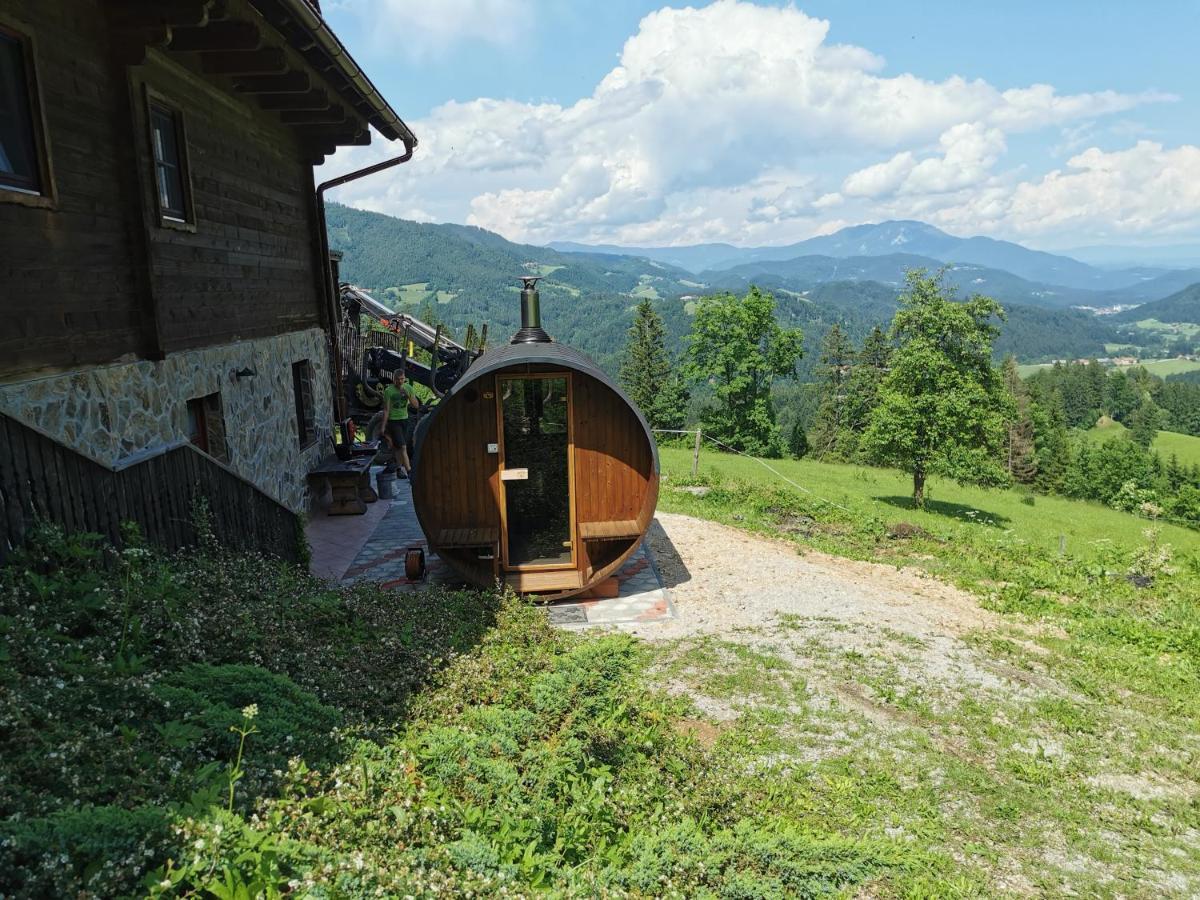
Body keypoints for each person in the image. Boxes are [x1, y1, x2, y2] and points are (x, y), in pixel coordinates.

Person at [381, 370, 419, 478]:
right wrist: (383, 426)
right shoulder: (389, 391)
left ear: (404, 378)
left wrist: (407, 395)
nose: (400, 381)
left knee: (398, 447)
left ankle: (398, 469)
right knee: (403, 447)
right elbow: (386, 410)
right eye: (397, 379)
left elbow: (416, 405)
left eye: (402, 379)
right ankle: (409, 471)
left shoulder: (408, 388)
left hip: (404, 420)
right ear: (394, 379)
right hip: (393, 421)